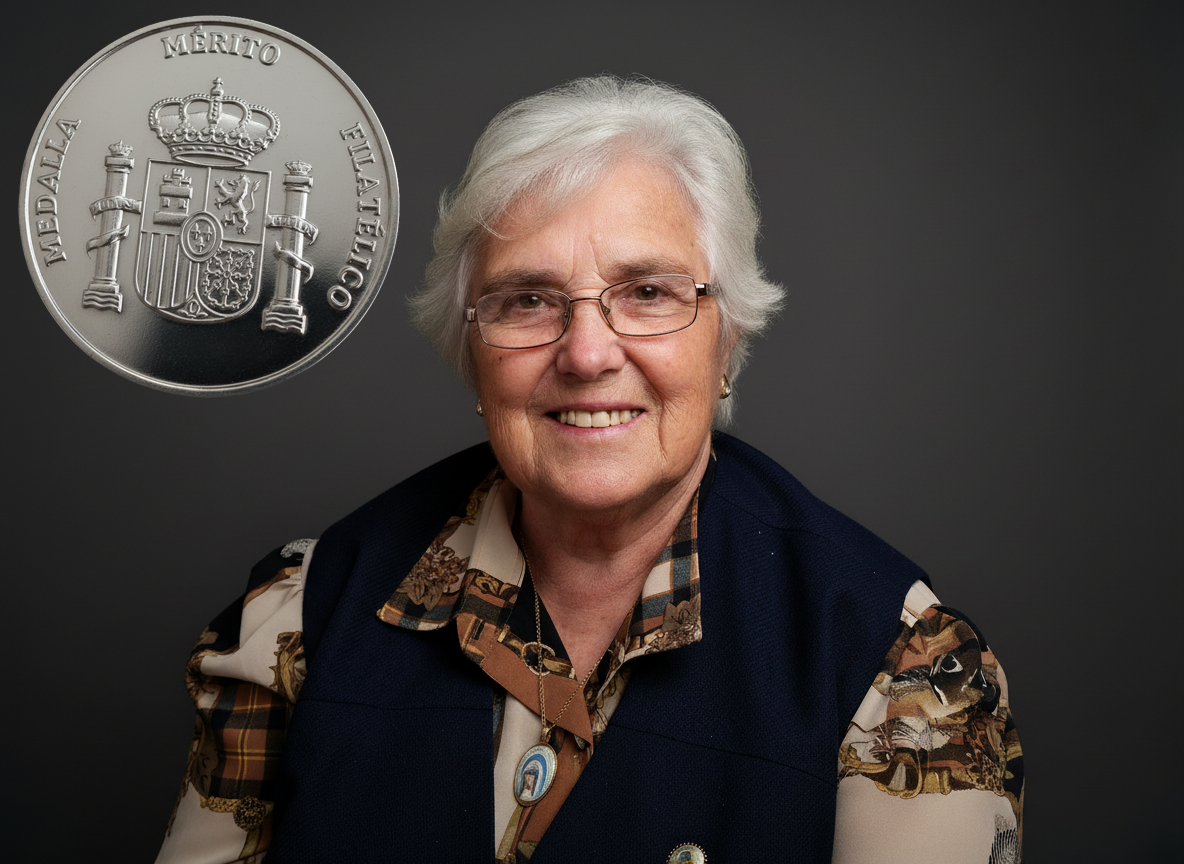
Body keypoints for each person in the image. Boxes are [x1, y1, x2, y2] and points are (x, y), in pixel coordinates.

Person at [155, 76, 1023, 864]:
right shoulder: (303, 619)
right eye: (528, 300)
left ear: (726, 340)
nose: (586, 353)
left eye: (648, 292)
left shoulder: (901, 667)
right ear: (472, 353)